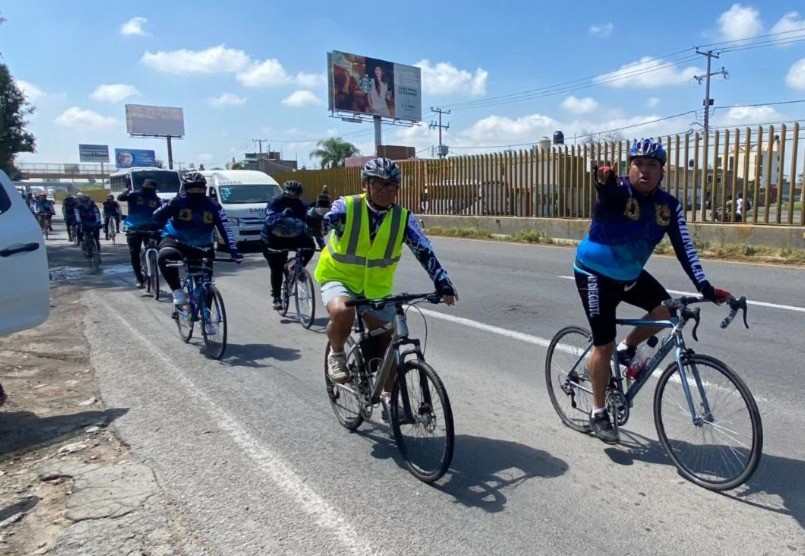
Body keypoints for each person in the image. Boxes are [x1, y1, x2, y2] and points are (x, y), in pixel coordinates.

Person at [574, 138, 733, 444]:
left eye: (652, 165)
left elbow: (685, 248)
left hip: (630, 275)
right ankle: (597, 413)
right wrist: (602, 181)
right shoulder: (618, 191)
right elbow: (606, 193)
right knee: (602, 345)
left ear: (662, 172)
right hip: (594, 274)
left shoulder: (668, 206)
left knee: (668, 307)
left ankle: (628, 348)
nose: (644, 171)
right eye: (638, 164)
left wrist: (704, 287)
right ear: (628, 168)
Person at [315, 157, 457, 406]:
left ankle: (390, 398)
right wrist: (317, 219)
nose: (386, 191)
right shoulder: (347, 207)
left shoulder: (403, 218)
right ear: (365, 185)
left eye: (392, 186)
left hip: (376, 289)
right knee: (341, 311)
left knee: (391, 338)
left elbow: (424, 250)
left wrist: (442, 282)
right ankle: (336, 353)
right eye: (379, 185)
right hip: (339, 277)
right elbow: (327, 219)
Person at [153, 172, 243, 309]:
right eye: (192, 189)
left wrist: (233, 250)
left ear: (205, 188)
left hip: (202, 245)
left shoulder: (213, 206)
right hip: (175, 239)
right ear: (185, 188)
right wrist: (170, 205)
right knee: (165, 256)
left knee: (206, 285)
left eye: (200, 188)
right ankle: (177, 291)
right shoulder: (178, 201)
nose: (196, 191)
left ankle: (207, 317)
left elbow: (225, 227)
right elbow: (157, 217)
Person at [260, 180, 317, 310]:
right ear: (285, 193)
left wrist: (321, 242)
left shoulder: (301, 204)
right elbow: (269, 220)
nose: (294, 198)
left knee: (310, 246)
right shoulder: (275, 201)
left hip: (294, 236)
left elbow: (311, 225)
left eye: (297, 196)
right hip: (272, 238)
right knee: (277, 267)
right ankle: (276, 298)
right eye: (291, 196)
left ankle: (296, 268)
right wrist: (282, 215)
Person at [118, 178, 163, 288]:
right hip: (134, 228)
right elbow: (121, 198)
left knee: (159, 248)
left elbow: (162, 214)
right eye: (146, 187)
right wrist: (126, 191)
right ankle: (139, 278)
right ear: (143, 187)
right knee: (134, 253)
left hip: (151, 228)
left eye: (150, 188)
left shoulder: (156, 199)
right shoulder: (134, 195)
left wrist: (162, 226)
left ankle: (152, 266)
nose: (148, 190)